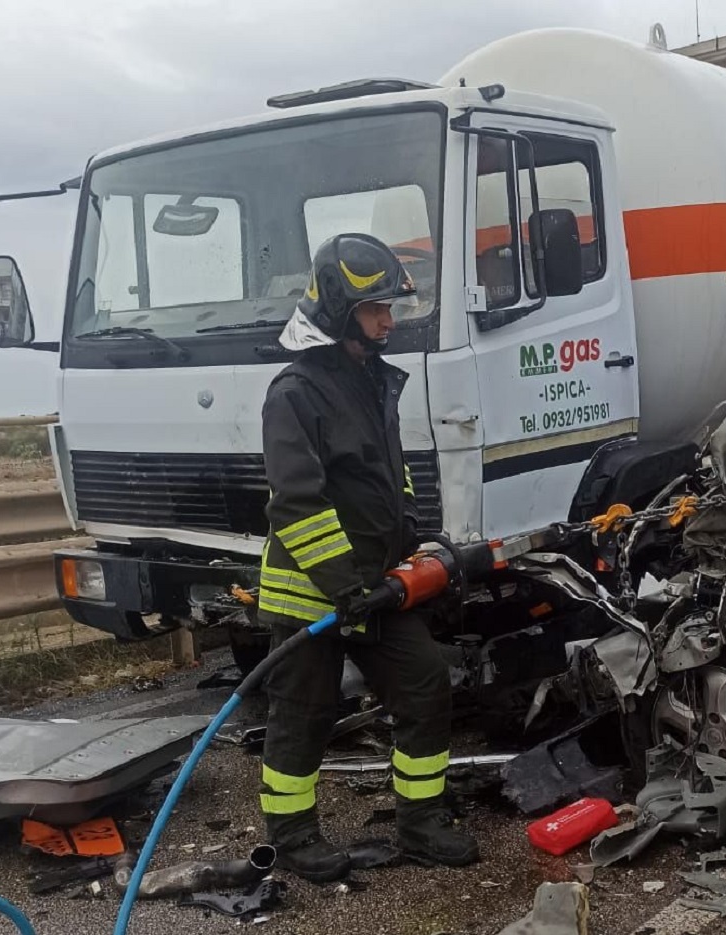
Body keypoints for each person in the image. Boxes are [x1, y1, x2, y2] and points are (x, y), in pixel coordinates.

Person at [256, 233, 479, 882]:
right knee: (304, 715)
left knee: (426, 683)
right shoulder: (293, 393)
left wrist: (412, 544)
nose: (389, 319)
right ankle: (293, 838)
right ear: (337, 310)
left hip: (376, 588)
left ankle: (420, 821)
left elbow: (389, 476)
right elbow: (297, 503)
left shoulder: (369, 380)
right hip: (312, 594)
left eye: (389, 306)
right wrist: (343, 585)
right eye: (376, 308)